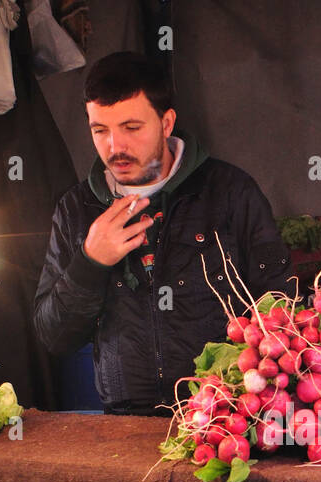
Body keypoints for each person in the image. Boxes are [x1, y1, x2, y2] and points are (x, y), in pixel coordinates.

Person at [34, 52, 291, 415]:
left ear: (166, 122)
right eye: (100, 130)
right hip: (125, 424)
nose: (114, 147)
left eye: (131, 128)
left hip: (226, 417)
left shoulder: (230, 192)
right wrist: (89, 263)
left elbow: (281, 308)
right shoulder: (76, 209)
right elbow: (55, 338)